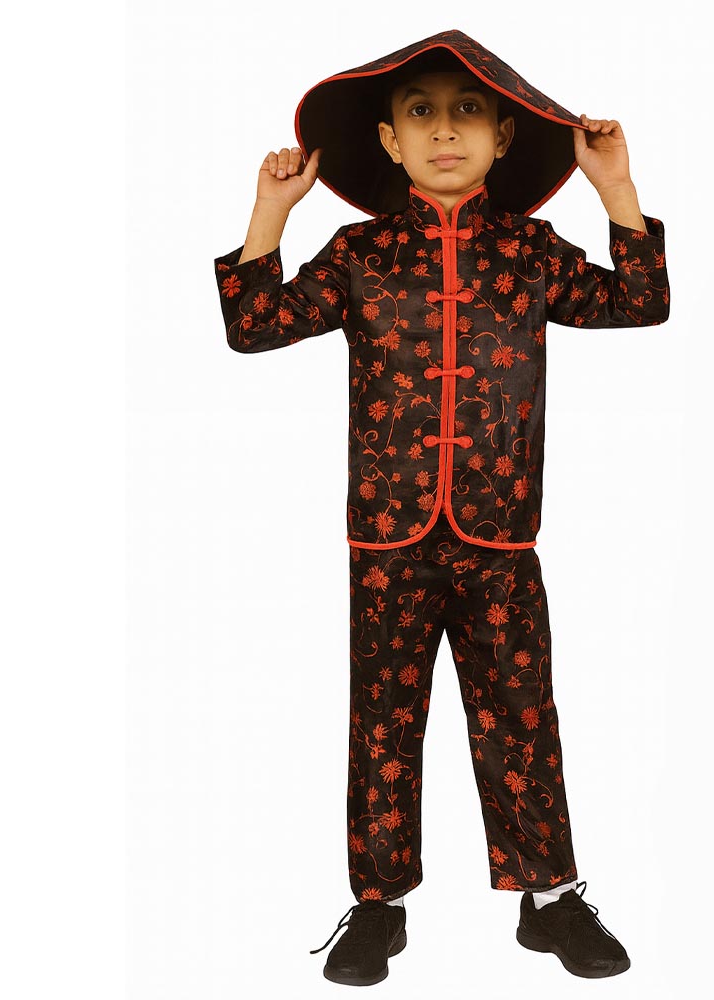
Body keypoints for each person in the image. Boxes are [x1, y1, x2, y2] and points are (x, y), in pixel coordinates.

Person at [213, 28, 670, 987]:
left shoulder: (530, 250)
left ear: (504, 136)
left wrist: (615, 189)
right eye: (420, 113)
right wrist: (270, 213)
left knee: (522, 718)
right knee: (382, 721)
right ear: (388, 140)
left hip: (501, 535)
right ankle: (378, 907)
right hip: (388, 537)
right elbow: (253, 326)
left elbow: (639, 302)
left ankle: (550, 899)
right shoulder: (361, 253)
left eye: (468, 112)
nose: (445, 131)